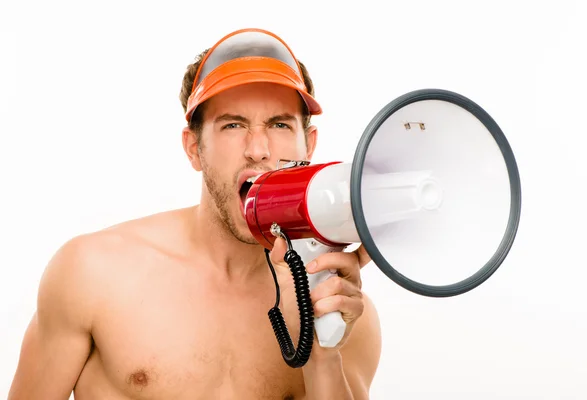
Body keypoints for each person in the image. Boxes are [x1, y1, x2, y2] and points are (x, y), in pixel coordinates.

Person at [8, 28, 382, 400]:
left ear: (309, 145)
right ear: (193, 148)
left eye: (280, 124)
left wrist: (320, 351)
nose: (258, 149)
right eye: (233, 125)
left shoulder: (343, 309)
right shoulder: (92, 273)